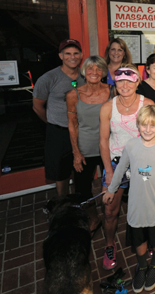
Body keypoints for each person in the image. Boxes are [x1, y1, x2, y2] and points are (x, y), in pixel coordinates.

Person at [102, 105, 155, 292]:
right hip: (136, 204)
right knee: (138, 237)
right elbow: (120, 170)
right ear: (138, 125)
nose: (148, 129)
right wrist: (111, 189)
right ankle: (142, 266)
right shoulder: (131, 145)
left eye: (153, 125)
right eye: (144, 125)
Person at [99, 65, 155, 270]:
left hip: (142, 163)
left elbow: (154, 135)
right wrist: (109, 172)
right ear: (115, 83)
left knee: (145, 206)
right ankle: (109, 244)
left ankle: (146, 240)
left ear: (137, 82)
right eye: (120, 81)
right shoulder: (107, 107)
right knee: (110, 210)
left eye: (129, 81)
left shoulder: (147, 104)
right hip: (116, 163)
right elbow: (103, 141)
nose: (124, 85)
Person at [33, 39, 86, 196]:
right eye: (68, 53)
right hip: (59, 132)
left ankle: (79, 201)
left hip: (81, 131)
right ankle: (63, 204)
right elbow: (37, 107)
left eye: (76, 53)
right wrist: (53, 122)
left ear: (81, 55)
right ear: (60, 56)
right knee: (60, 172)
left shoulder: (86, 76)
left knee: (81, 169)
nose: (72, 57)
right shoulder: (48, 78)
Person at [66, 55, 111, 236]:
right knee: (83, 189)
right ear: (84, 71)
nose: (94, 72)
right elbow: (72, 124)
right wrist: (76, 152)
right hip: (85, 149)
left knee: (111, 183)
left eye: (98, 69)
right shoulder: (73, 94)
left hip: (108, 147)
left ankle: (110, 214)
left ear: (103, 72)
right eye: (90, 69)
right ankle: (93, 217)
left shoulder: (112, 91)